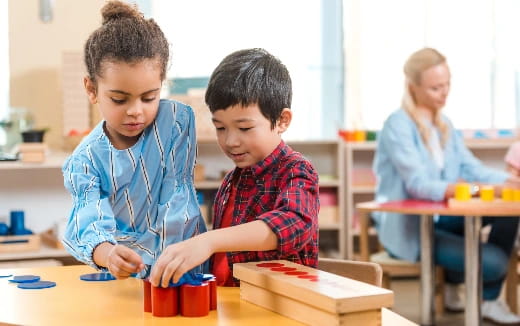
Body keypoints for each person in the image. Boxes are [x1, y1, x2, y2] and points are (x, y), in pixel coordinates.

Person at [149, 48, 320, 288]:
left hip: (278, 311)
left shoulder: (295, 170)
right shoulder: (232, 180)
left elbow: (294, 222)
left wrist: (209, 241)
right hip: (232, 306)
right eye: (221, 128)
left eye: (245, 128)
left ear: (282, 121)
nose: (231, 141)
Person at [373, 47, 520, 324]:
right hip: (413, 228)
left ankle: (486, 299)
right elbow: (419, 185)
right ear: (412, 87)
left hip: (443, 218)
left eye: (447, 84)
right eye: (435, 88)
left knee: (511, 209)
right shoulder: (398, 125)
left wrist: (507, 182)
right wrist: (474, 188)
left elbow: (470, 167)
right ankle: (463, 282)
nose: (444, 93)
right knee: (496, 262)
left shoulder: (444, 125)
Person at [61, 0, 207, 280]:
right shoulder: (85, 160)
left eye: (149, 97)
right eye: (119, 99)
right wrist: (108, 254)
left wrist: (169, 261)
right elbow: (86, 221)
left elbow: (176, 203)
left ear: (162, 84)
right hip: (128, 277)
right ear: (92, 89)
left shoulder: (175, 123)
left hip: (184, 269)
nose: (135, 110)